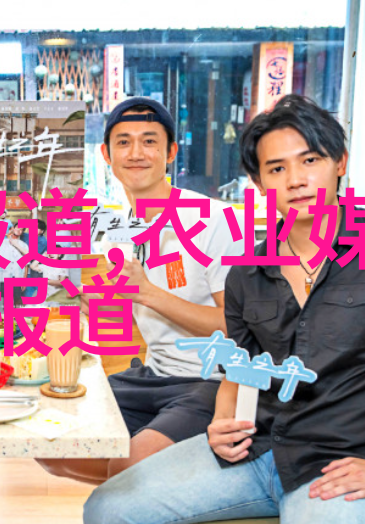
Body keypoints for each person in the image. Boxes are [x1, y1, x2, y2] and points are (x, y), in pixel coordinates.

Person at [84, 94, 365, 524]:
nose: (295, 180)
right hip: (255, 452)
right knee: (108, 508)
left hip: (344, 463)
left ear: (340, 162)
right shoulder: (248, 272)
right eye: (276, 169)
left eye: (310, 160)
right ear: (259, 183)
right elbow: (239, 370)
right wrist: (222, 421)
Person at [37, 97, 241, 484]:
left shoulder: (215, 220)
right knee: (48, 443)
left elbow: (237, 328)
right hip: (151, 375)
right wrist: (84, 299)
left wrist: (147, 293)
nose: (135, 153)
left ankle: (162, 487)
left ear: (171, 152)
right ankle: (158, 489)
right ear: (106, 155)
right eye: (123, 142)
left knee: (128, 468)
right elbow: (134, 317)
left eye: (149, 141)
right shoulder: (118, 229)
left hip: (212, 383)